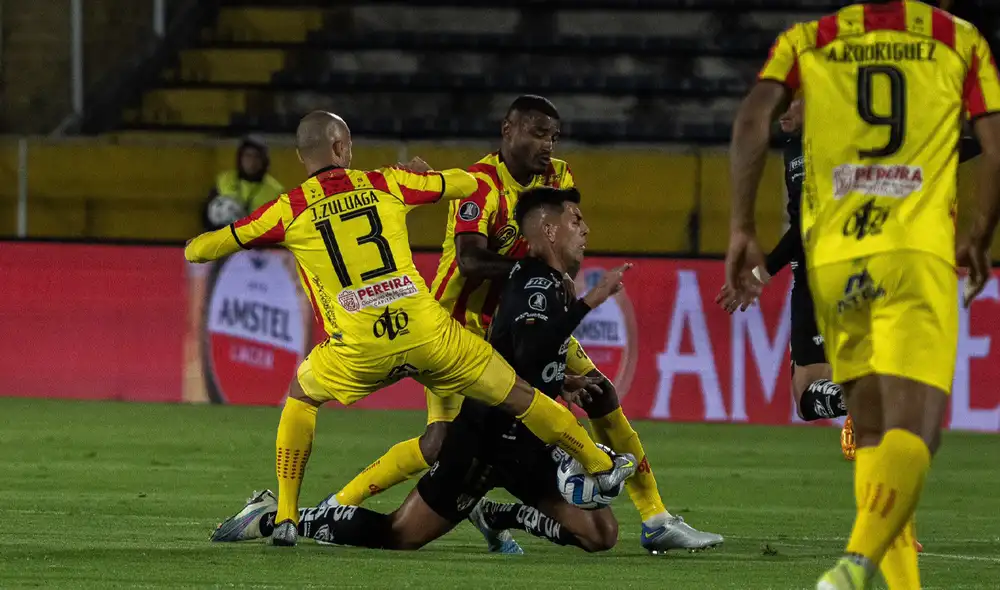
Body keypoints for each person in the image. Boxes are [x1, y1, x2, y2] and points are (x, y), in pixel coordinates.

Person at [184, 111, 637, 548]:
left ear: (304, 156)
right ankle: (600, 464)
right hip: (429, 334)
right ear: (341, 148)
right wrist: (426, 175)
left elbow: (204, 250)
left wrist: (197, 242)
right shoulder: (384, 181)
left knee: (302, 396)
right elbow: (470, 183)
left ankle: (285, 515)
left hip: (360, 348)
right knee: (521, 396)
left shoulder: (286, 209)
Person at [325, 95, 723, 553]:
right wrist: (527, 275)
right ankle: (336, 504)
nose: (547, 145)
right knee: (439, 443)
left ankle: (655, 518)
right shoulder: (477, 184)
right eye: (537, 133)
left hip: (524, 318)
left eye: (553, 136)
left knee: (600, 391)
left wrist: (554, 289)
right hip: (462, 326)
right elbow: (471, 260)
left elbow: (563, 245)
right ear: (507, 129)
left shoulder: (559, 178)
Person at [725, 2, 1000, 588]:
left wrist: (740, 228)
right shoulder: (958, 41)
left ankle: (890, 577)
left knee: (870, 431)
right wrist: (980, 230)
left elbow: (750, 120)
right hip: (912, 252)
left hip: (839, 261)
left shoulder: (809, 43)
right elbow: (990, 140)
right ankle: (855, 562)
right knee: (915, 428)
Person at [203, 135, 284, 230]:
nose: (252, 161)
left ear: (264, 161)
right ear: (240, 158)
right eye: (248, 155)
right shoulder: (224, 180)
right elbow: (206, 213)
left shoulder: (275, 190)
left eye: (257, 156)